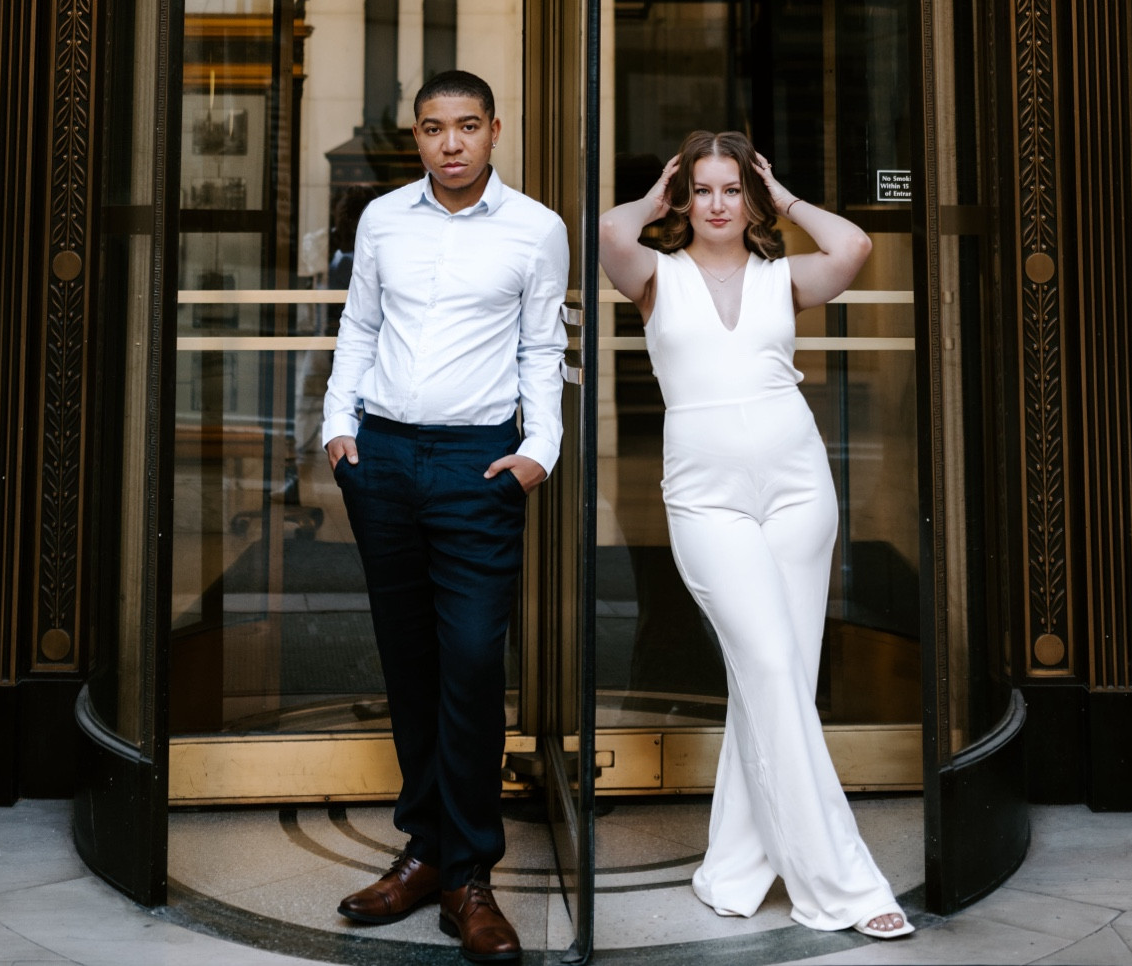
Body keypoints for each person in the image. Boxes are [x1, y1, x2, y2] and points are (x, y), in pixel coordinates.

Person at [598, 130, 915, 942]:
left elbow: (854, 246)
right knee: (771, 667)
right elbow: (609, 231)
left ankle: (735, 867)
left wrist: (790, 199)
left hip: (799, 488)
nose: (716, 204)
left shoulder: (784, 278)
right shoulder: (655, 276)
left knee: (777, 684)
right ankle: (842, 884)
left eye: (732, 189)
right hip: (707, 501)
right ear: (683, 197)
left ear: (752, 199)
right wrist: (654, 197)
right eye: (702, 189)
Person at [323, 72, 568, 965]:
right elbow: (360, 325)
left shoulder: (537, 228)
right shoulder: (382, 218)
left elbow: (543, 344)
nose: (451, 143)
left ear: (495, 130)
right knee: (410, 661)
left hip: (480, 466)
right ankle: (426, 853)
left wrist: (540, 449)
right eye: (434, 128)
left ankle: (470, 876)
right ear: (417, 136)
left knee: (469, 660)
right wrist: (338, 428)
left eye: (467, 126)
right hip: (383, 458)